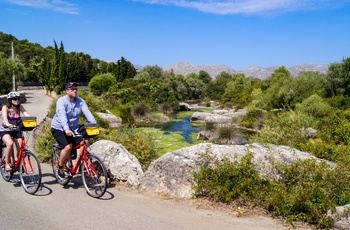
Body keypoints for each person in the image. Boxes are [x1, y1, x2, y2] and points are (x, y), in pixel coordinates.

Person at [51, 82, 97, 176]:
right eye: (72, 89)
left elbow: (88, 113)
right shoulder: (61, 101)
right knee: (68, 147)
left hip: (74, 128)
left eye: (76, 89)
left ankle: (80, 164)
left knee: (84, 142)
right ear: (67, 91)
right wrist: (66, 129)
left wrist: (95, 124)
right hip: (59, 128)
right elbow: (62, 116)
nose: (75, 91)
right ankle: (60, 165)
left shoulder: (80, 101)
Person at [1, 92, 31, 171]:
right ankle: (7, 164)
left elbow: (26, 114)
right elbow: (4, 117)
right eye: (14, 99)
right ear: (10, 100)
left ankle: (19, 163)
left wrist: (33, 121)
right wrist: (7, 124)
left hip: (17, 129)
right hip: (6, 129)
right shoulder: (5, 107)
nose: (17, 100)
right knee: (10, 144)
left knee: (21, 147)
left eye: (18, 98)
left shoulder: (20, 107)